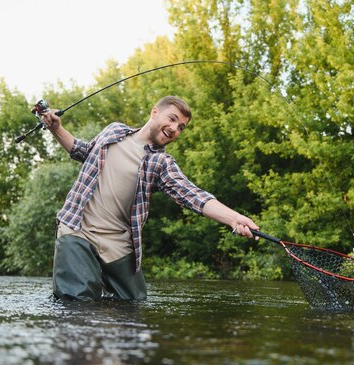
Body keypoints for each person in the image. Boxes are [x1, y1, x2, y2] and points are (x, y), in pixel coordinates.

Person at [40, 96, 259, 301]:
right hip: (77, 228)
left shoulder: (160, 163)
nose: (174, 129)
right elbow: (84, 151)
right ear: (154, 112)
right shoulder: (114, 131)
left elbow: (192, 195)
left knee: (134, 305)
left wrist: (234, 218)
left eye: (181, 127)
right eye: (172, 119)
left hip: (119, 242)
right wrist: (56, 128)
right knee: (76, 302)